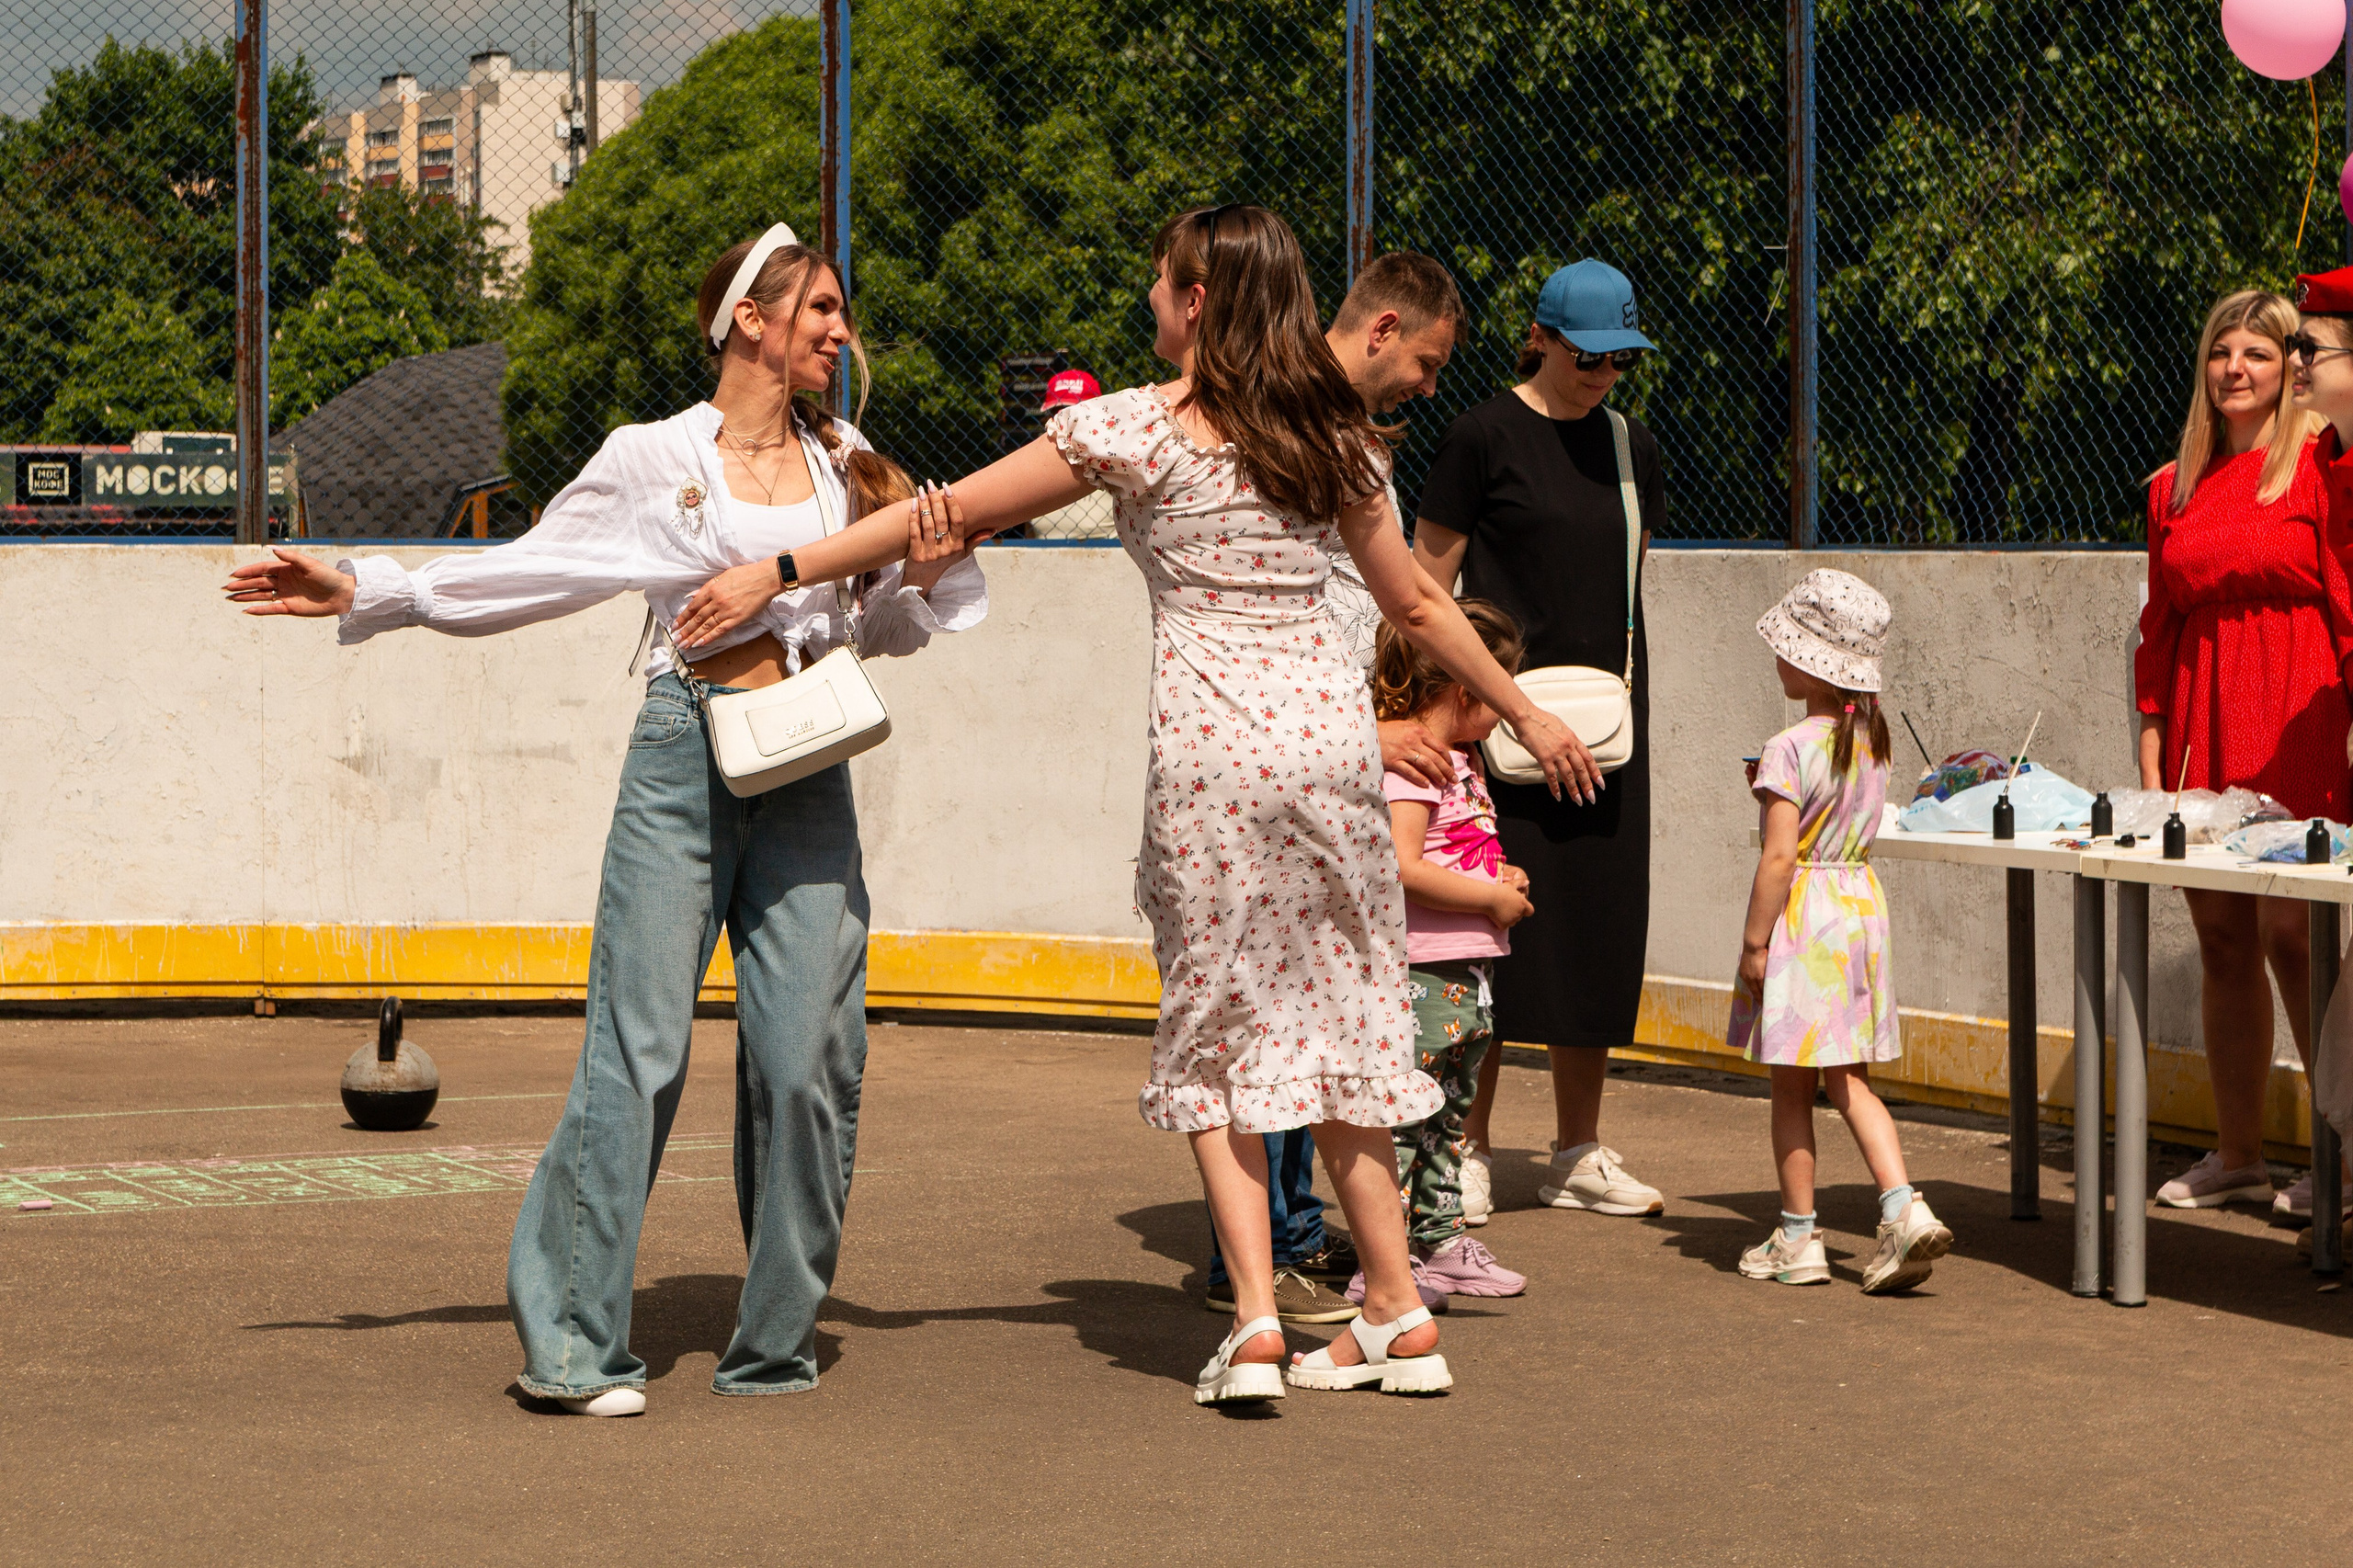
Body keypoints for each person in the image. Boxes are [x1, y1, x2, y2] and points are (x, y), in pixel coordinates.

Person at [222, 226, 988, 1415]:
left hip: (809, 767)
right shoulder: (653, 457)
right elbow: (531, 571)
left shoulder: (854, 465)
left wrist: (927, 575)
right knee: (637, 1049)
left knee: (809, 1059)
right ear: (750, 318)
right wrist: (374, 585)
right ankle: (574, 1345)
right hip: (685, 757)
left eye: (843, 312)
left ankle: (775, 1340)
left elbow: (880, 628)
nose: (842, 329)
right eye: (822, 307)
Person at [879, 204, 1585, 1402]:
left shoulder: (1133, 429)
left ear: (1196, 300)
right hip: (1329, 750)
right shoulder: (1338, 443)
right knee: (1353, 1021)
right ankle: (1400, 1314)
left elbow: (954, 509)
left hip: (1212, 755)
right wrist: (1524, 711)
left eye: (1159, 283)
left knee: (1217, 1027)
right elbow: (1414, 601)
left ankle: (1256, 1321)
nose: (1149, 299)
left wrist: (784, 568)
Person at [1199, 249, 1472, 1325]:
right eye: (1428, 360)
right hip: (1276, 761)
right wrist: (1371, 725)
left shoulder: (1351, 443)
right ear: (1382, 326)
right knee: (1267, 1015)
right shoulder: (1270, 419)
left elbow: (1373, 603)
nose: (1429, 384)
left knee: (1308, 1014)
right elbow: (1268, 621)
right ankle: (1273, 1270)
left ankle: (1313, 1268)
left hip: (1325, 753)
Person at [1415, 257, 1665, 1222]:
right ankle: (1467, 1146)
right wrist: (1458, 710)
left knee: (1596, 935)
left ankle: (1576, 1150)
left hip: (1601, 729)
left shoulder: (1630, 443)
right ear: (1543, 337)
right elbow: (1427, 585)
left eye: (1619, 358)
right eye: (1588, 353)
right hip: (1496, 723)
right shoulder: (1479, 435)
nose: (1603, 371)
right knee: (1490, 932)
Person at [2139, 288, 2353, 1218]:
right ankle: (2237, 1154)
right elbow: (2156, 631)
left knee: (2295, 935)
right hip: (2201, 726)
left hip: (2298, 717)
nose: (2235, 368)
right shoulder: (2168, 487)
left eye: (2258, 353)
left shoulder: (2318, 467)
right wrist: (2151, 748)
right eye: (2220, 351)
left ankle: (2338, 1156)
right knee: (2222, 936)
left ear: (2287, 371)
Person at [1731, 571, 1954, 1293]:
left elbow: (1779, 855)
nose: (1776, 659)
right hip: (1859, 910)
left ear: (1811, 662)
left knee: (1792, 1086)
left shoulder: (1788, 746)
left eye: (1785, 647)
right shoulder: (1872, 741)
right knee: (1849, 1078)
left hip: (1806, 920)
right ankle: (1901, 1203)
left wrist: (1755, 942)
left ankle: (1798, 1238)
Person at [1358, 602, 1533, 1301]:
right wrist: (1488, 899)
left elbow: (1454, 852)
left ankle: (1441, 1240)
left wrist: (1501, 876)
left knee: (1448, 1116)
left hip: (1466, 975)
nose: (1501, 709)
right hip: (1421, 971)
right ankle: (1388, 1264)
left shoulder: (1461, 763)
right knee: (1407, 1118)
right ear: (1464, 689)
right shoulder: (1412, 768)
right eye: (1495, 692)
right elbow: (1401, 865)